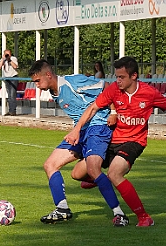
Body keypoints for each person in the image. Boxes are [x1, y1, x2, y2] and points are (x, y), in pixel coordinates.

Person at [64, 56, 166, 227]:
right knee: (77, 174)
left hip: (134, 142)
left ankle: (144, 217)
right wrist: (76, 129)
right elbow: (93, 108)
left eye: (121, 77)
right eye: (116, 76)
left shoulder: (149, 93)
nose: (117, 80)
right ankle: (101, 181)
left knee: (114, 173)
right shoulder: (113, 89)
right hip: (111, 139)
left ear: (133, 76)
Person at [28, 59, 129, 226]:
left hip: (98, 127)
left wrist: (113, 111)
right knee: (52, 166)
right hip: (80, 132)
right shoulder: (55, 92)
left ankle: (119, 214)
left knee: (93, 169)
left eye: (38, 81)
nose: (37, 86)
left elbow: (107, 87)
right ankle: (62, 209)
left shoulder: (74, 82)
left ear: (48, 74)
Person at [0, 49, 19, 116]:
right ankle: (10, 111)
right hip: (7, 79)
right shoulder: (3, 60)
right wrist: (3, 60)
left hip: (13, 78)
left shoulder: (13, 58)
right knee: (9, 95)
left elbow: (15, 66)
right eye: (6, 54)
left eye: (8, 54)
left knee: (12, 95)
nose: (7, 55)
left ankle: (13, 111)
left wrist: (9, 60)